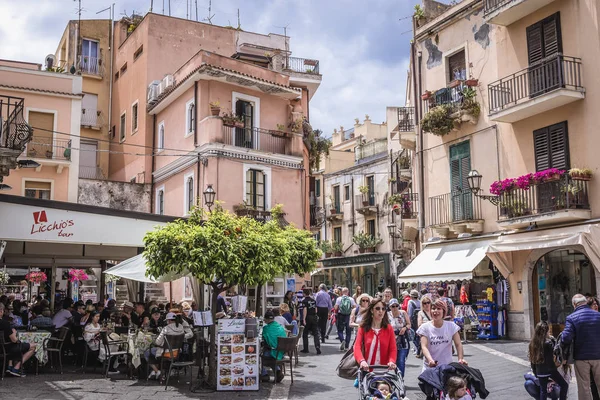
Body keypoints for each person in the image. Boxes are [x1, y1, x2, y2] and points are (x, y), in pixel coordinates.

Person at [561, 293, 600, 400]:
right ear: (585, 302)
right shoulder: (598, 315)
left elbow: (566, 338)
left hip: (581, 357)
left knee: (584, 388)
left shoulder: (571, 318)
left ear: (574, 304)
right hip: (598, 356)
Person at [417, 298, 467, 372]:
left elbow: (458, 344)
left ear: (443, 311)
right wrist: (430, 360)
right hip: (430, 369)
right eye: (433, 308)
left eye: (439, 308)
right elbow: (424, 347)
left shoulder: (451, 326)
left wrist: (460, 358)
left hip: (447, 367)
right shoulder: (425, 327)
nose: (435, 311)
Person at [146, 312, 193, 380]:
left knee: (147, 352)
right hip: (177, 352)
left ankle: (157, 371)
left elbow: (157, 342)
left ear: (169, 320)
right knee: (154, 351)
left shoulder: (166, 328)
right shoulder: (181, 327)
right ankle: (155, 371)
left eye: (167, 321)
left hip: (166, 352)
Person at [354, 298, 397, 372]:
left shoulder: (389, 329)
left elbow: (393, 348)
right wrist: (362, 361)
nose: (381, 311)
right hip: (366, 370)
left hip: (383, 370)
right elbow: (357, 346)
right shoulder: (363, 327)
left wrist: (392, 361)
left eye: (383, 309)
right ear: (371, 310)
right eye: (377, 308)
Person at [528, 321, 568, 400]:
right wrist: (555, 371)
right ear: (546, 331)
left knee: (543, 391)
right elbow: (551, 359)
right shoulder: (548, 343)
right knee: (564, 385)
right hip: (550, 371)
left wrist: (536, 373)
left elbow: (532, 360)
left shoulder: (532, 343)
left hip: (540, 372)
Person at [0, 305, 36, 377]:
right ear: (1, 311)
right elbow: (14, 340)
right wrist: (14, 333)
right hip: (7, 348)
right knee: (33, 346)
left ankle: (10, 367)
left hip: (2, 347)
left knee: (17, 346)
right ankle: (16, 368)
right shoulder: (5, 323)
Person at [260, 311, 286, 383]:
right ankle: (277, 372)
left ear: (266, 319)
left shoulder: (266, 328)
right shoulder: (280, 327)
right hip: (281, 352)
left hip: (273, 352)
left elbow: (264, 340)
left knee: (258, 357)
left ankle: (264, 374)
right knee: (272, 355)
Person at [387, 298, 411, 378]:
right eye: (392, 306)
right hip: (391, 340)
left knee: (401, 360)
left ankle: (400, 378)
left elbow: (409, 324)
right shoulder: (387, 315)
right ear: (390, 307)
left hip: (402, 340)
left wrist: (405, 328)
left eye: (396, 306)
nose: (394, 308)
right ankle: (396, 375)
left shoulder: (403, 313)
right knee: (394, 361)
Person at [334, 287, 357, 351]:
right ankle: (347, 346)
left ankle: (342, 340)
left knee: (340, 330)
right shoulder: (351, 299)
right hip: (348, 315)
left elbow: (336, 308)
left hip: (340, 315)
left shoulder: (339, 299)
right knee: (348, 331)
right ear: (348, 292)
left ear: (342, 292)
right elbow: (355, 307)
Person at [300, 288, 321, 355]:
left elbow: (305, 309)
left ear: (304, 293)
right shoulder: (313, 300)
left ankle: (306, 348)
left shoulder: (304, 300)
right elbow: (316, 309)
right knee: (315, 333)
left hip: (308, 317)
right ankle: (317, 346)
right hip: (314, 316)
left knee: (305, 333)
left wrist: (304, 319)